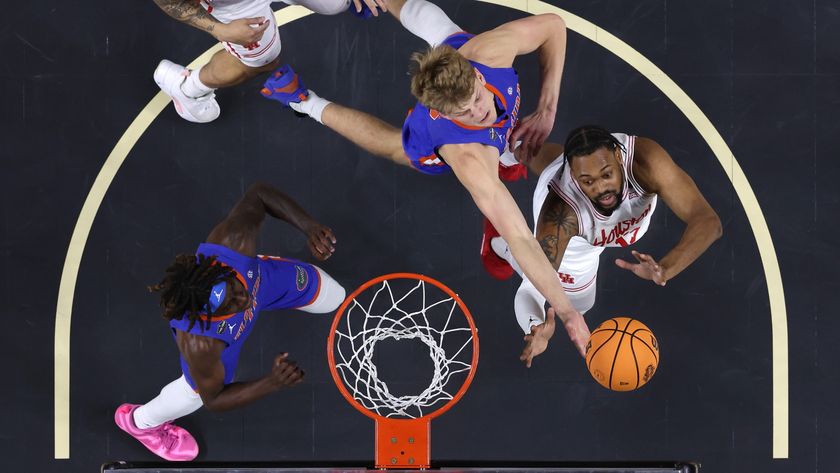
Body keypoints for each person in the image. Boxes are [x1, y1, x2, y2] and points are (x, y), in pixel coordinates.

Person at [261, 0, 592, 356]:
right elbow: (520, 237)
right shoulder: (466, 156)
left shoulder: (490, 51)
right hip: (442, 141)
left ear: (478, 76)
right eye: (464, 112)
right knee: (393, 148)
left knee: (447, 34)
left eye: (477, 99)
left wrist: (547, 106)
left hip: (463, 55)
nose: (479, 112)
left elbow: (554, 26)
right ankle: (303, 101)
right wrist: (567, 309)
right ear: (443, 112)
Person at [114, 182, 346, 461]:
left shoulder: (232, 243)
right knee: (194, 393)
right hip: (227, 340)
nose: (242, 299)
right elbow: (215, 399)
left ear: (221, 269)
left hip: (264, 280)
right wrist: (271, 382)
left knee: (335, 298)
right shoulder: (202, 344)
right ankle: (140, 423)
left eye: (235, 289)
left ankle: (267, 279)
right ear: (205, 313)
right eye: (231, 304)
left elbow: (259, 194)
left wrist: (309, 227)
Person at [483, 125, 722, 367]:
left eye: (607, 175)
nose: (601, 189)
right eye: (587, 181)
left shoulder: (645, 161)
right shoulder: (560, 216)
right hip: (576, 248)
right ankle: (501, 246)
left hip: (576, 189)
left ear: (619, 157)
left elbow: (708, 221)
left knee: (553, 158)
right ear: (573, 176)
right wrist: (534, 325)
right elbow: (530, 289)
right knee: (581, 303)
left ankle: (515, 147)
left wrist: (666, 268)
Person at [151, 0, 388, 123]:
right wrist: (219, 29)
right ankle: (187, 87)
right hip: (236, 5)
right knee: (263, 61)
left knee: (336, 4)